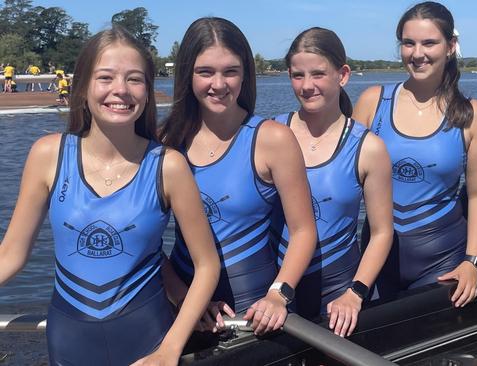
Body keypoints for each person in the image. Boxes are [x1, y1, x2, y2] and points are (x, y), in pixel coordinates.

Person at [0, 27, 221, 365]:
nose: (120, 90)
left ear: (147, 91)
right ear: (83, 87)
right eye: (106, 77)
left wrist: (170, 349)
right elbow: (11, 254)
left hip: (148, 339)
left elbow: (207, 265)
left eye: (134, 79)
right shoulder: (48, 154)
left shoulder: (168, 166)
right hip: (68, 341)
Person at [159, 17, 316, 337]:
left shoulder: (273, 139)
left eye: (230, 71)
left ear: (245, 75)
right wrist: (182, 297)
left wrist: (278, 295)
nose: (219, 84)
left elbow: (303, 231)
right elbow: (145, 242)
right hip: (187, 312)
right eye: (205, 72)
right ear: (187, 74)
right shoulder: (166, 142)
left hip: (257, 313)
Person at [353, 1, 477, 308]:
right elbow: (341, 182)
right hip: (376, 258)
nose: (417, 54)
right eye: (408, 43)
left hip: (442, 261)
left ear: (450, 46)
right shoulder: (371, 102)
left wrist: (472, 260)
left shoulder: (471, 113)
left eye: (429, 43)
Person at [272, 27, 393, 337]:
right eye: (297, 75)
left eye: (318, 74)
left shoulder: (368, 148)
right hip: (276, 291)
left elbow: (381, 232)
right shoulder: (270, 134)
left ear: (343, 75)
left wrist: (355, 293)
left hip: (338, 293)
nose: (307, 85)